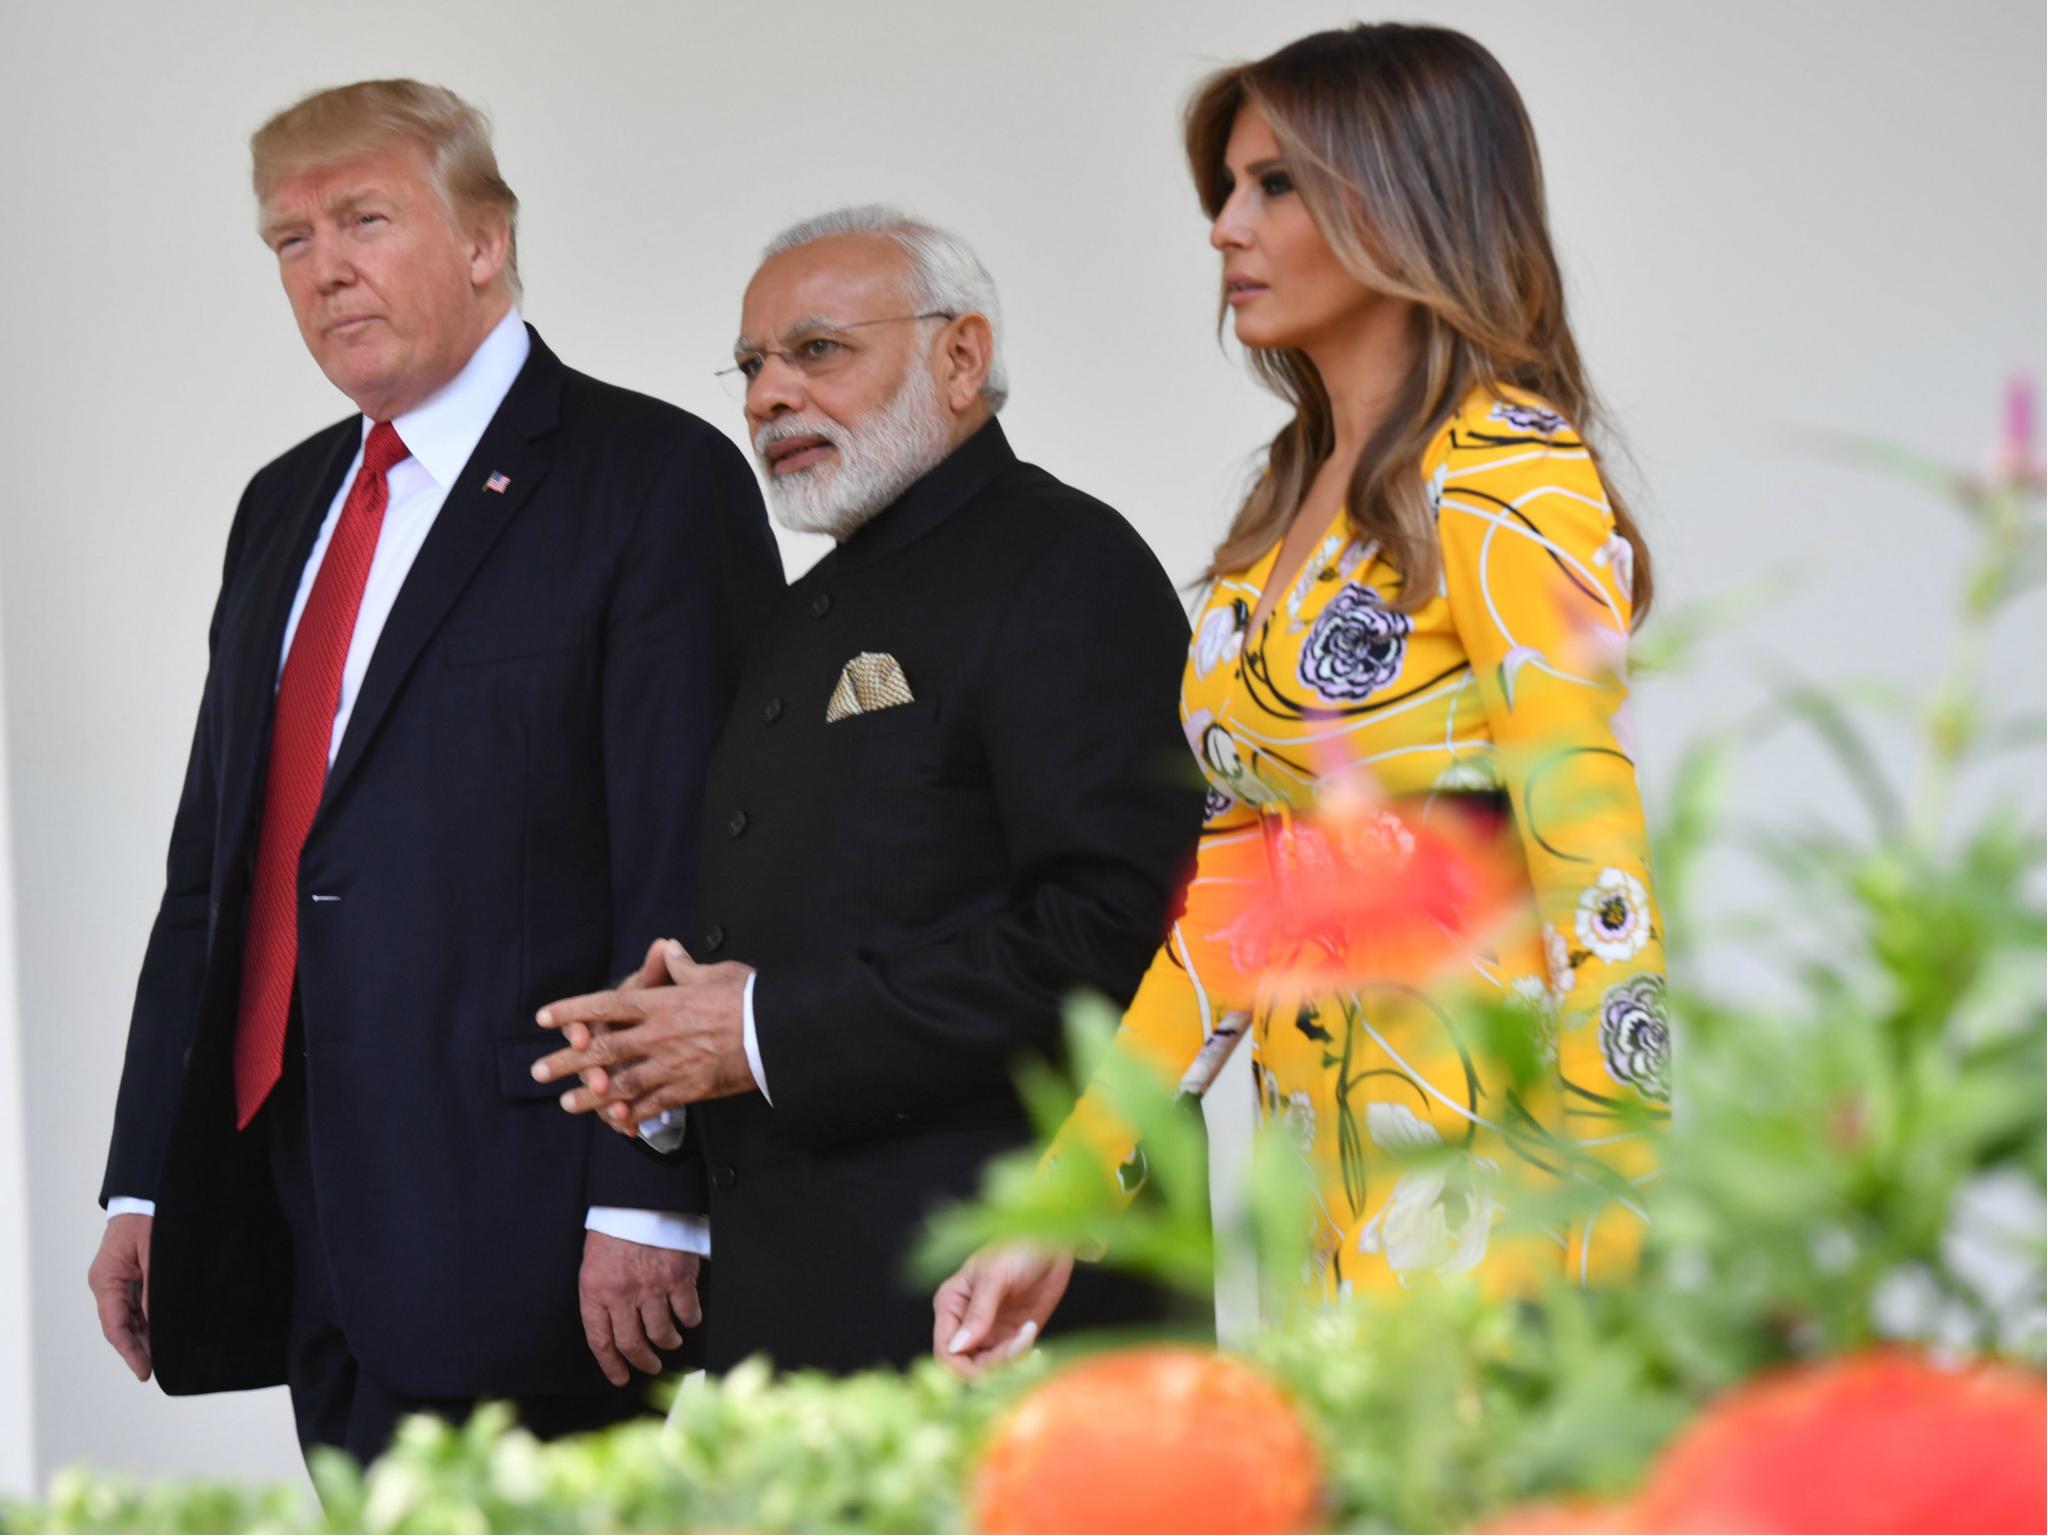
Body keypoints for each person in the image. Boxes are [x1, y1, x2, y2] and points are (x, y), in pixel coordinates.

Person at [934, 22, 1669, 1372]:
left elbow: (1599, 880)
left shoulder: (1506, 473)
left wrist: (1608, 1233)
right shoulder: (1283, 511)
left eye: (1275, 184)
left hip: (1492, 1177)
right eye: (1225, 187)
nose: (1225, 227)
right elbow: (1228, 897)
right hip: (1318, 1178)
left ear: (1405, 200)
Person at [86, 79, 783, 1464]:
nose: (326, 267)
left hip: (541, 1226)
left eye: (365, 219)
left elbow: (693, 854)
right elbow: (215, 869)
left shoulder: (649, 479)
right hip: (306, 1212)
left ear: (485, 241)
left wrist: (650, 1196)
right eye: (290, 240)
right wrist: (148, 1180)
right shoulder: (283, 505)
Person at [529, 206, 1205, 1373]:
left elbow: (1113, 945)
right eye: (750, 367)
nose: (764, 397)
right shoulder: (804, 613)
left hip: (1001, 1310)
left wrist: (753, 1031)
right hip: (802, 1315)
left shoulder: (1065, 567)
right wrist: (670, 1044)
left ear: (960, 356)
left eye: (815, 351)